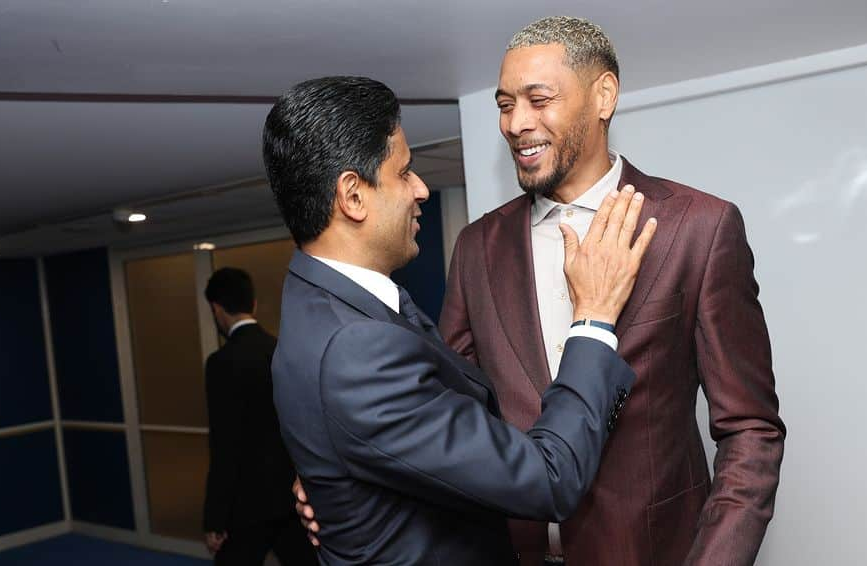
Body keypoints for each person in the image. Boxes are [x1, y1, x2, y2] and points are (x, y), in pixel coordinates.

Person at [264, 75, 655, 565]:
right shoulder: (356, 347)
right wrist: (594, 319)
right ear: (353, 197)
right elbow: (549, 480)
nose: (421, 189)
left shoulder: (319, 302)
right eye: (404, 173)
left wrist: (335, 479)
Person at [438, 16, 786, 566]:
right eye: (505, 105)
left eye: (538, 99)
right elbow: (444, 412)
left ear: (604, 96)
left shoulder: (698, 228)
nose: (515, 123)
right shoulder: (478, 246)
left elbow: (751, 430)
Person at [202, 267, 315, 566]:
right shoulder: (282, 350)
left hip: (246, 504)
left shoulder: (221, 363)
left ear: (216, 309)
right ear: (252, 305)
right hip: (292, 496)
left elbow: (225, 446)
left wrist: (214, 518)